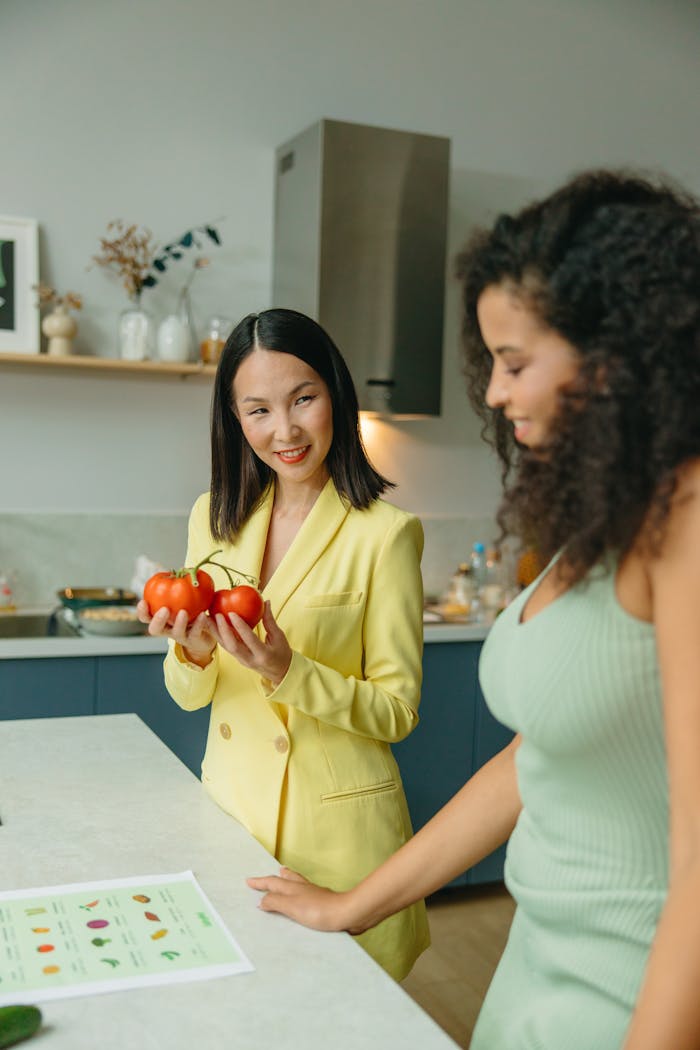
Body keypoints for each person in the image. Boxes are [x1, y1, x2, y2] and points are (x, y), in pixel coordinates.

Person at [247, 171, 700, 1049]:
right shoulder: (609, 518)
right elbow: (531, 766)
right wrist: (354, 906)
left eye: (516, 362)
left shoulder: (687, 519)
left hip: (636, 988)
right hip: (537, 964)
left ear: (620, 355)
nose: (493, 392)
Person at [138, 307, 429, 980]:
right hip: (230, 823)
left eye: (303, 399)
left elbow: (397, 711)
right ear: (235, 419)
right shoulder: (211, 519)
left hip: (338, 841)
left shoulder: (385, 534)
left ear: (335, 393)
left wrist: (288, 669)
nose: (285, 430)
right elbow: (189, 698)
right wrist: (195, 652)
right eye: (258, 409)